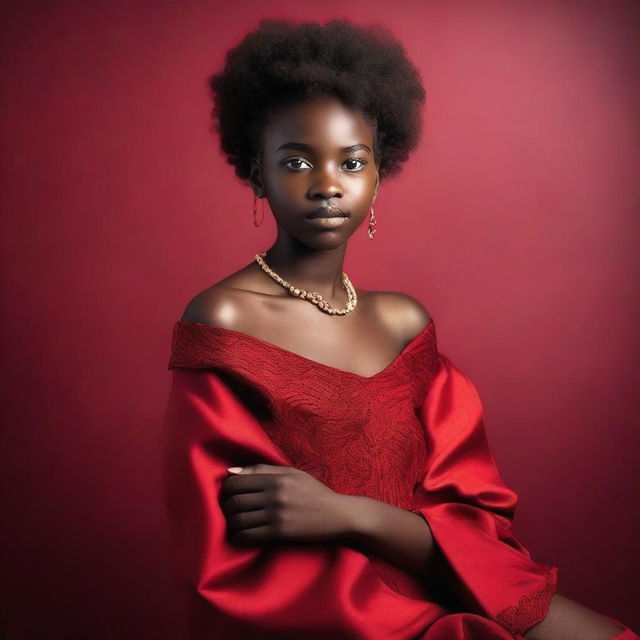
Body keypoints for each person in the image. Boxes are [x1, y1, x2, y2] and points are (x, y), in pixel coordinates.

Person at [161, 18, 638, 640]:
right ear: (256, 174)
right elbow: (228, 568)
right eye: (298, 161)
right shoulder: (223, 322)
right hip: (343, 621)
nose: (329, 186)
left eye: (352, 162)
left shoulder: (404, 324)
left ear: (379, 174)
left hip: (456, 579)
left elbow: (477, 516)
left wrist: (348, 515)